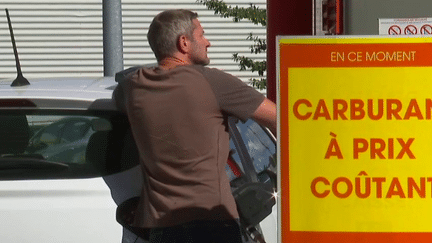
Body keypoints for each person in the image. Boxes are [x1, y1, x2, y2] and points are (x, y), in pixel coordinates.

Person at [114, 9, 277, 243]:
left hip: (163, 229)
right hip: (213, 222)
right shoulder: (213, 82)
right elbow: (281, 119)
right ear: (184, 42)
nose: (208, 42)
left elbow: (117, 100)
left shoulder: (131, 88)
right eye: (202, 35)